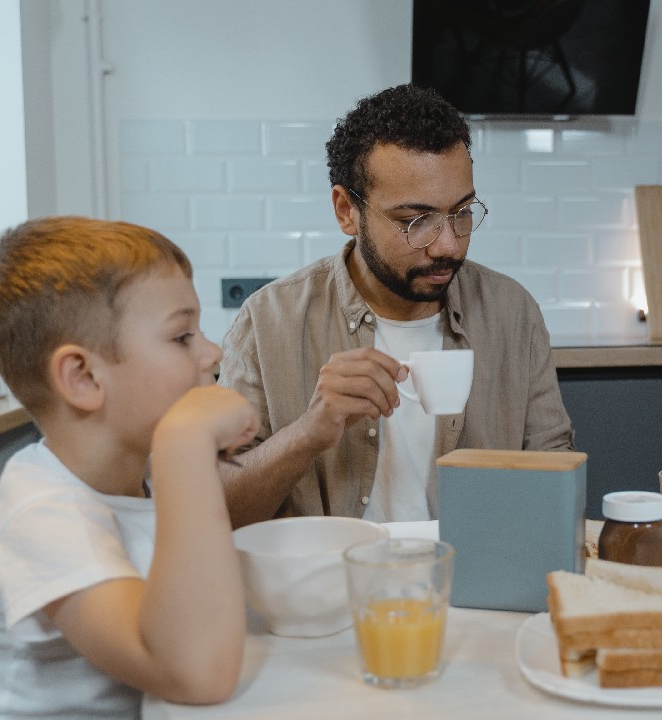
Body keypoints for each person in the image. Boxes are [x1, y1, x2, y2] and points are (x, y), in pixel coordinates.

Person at [0, 217, 260, 717]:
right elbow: (195, 674)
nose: (213, 352)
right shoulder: (42, 517)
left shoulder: (140, 476)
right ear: (83, 377)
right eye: (181, 337)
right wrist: (186, 441)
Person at [219, 83, 574, 525]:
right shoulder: (269, 321)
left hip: (470, 586)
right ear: (346, 210)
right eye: (415, 221)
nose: (447, 244)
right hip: (330, 588)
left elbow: (556, 480)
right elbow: (220, 512)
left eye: (462, 212)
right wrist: (308, 434)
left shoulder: (511, 313)